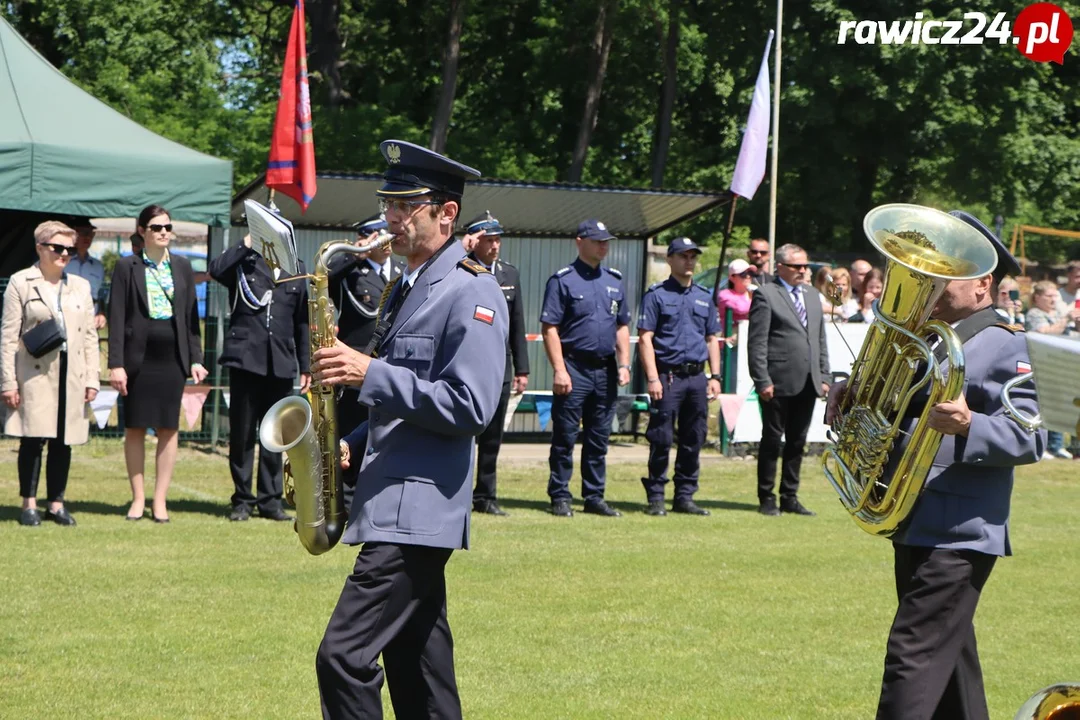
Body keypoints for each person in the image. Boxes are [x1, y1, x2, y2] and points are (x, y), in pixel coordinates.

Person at [309, 139, 507, 720]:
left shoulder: (473, 288)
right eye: (388, 203)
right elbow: (406, 401)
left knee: (342, 658)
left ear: (446, 214)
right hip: (393, 498)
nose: (391, 218)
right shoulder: (408, 283)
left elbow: (471, 406)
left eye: (405, 207)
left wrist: (369, 372)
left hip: (417, 511)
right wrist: (352, 442)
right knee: (419, 670)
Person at [826, 210, 1046, 720]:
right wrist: (853, 396)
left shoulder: (1008, 344)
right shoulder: (923, 341)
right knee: (950, 664)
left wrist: (972, 424)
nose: (930, 284)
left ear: (982, 284)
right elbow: (893, 414)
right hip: (915, 518)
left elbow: (1029, 437)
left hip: (961, 530)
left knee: (913, 656)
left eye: (946, 276)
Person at [108, 206, 207, 522]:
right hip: (137, 358)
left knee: (168, 427)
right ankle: (138, 498)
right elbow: (116, 317)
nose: (164, 231)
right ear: (142, 231)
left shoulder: (182, 266)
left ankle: (160, 500)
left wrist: (196, 359)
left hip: (172, 359)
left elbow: (192, 319)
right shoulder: (127, 266)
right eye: (156, 227)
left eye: (167, 226)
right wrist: (116, 364)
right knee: (135, 427)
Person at [208, 224, 311, 523]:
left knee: (275, 436)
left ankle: (270, 500)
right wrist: (246, 243)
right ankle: (242, 500)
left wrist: (305, 365)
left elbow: (302, 322)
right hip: (246, 359)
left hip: (279, 361)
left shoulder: (297, 269)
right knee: (242, 434)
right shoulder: (245, 262)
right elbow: (216, 269)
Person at [1, 222, 100, 527]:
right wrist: (8, 382)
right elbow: (7, 337)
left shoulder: (81, 286)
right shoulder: (21, 282)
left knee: (63, 440)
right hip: (34, 373)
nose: (65, 254)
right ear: (40, 248)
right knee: (33, 438)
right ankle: (29, 503)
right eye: (58, 248)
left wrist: (92, 378)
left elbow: (88, 338)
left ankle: (56, 502)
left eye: (69, 249)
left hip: (71, 373)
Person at [540, 218, 631, 517]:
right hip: (574, 367)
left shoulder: (615, 280)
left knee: (599, 438)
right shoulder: (563, 280)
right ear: (580, 242)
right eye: (597, 240)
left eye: (606, 241)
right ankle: (560, 496)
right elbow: (550, 327)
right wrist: (559, 369)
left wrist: (625, 363)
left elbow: (621, 326)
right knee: (565, 436)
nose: (603, 246)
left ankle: (594, 497)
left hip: (604, 369)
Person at [637, 237, 722, 516]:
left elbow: (712, 338)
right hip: (668, 378)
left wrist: (715, 376)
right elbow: (645, 338)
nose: (689, 261)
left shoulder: (703, 295)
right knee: (661, 437)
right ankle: (657, 496)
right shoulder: (657, 295)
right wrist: (652, 378)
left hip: (697, 377)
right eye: (683, 256)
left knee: (693, 438)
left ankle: (685, 496)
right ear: (670, 260)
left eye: (692, 256)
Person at [747, 242, 830, 517]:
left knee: (798, 441)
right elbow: (757, 342)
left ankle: (790, 496)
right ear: (780, 266)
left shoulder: (812, 295)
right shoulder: (766, 294)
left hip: (808, 380)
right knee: (772, 439)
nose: (803, 271)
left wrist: (824, 375)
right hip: (778, 380)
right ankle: (766, 496)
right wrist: (762, 379)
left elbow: (819, 340)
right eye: (797, 266)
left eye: (805, 266)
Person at [462, 211, 529, 516]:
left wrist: (522, 370)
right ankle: (458, 496)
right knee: (463, 435)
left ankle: (486, 496)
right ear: (475, 241)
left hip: (500, 369)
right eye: (489, 240)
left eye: (498, 239)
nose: (495, 245)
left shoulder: (509, 274)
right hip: (467, 366)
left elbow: (517, 323)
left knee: (492, 439)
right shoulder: (461, 269)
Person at [327, 214, 403, 435]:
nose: (387, 242)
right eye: (380, 237)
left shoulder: (401, 271)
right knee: (351, 434)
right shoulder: (350, 271)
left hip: (390, 365)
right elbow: (321, 278)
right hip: (355, 363)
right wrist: (356, 256)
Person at [1025, 280, 1075, 460]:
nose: (1054, 299)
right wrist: (1067, 319)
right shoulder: (1034, 314)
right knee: (1045, 405)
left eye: (1056, 295)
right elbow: (1045, 333)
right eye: (1049, 296)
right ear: (1037, 297)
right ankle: (1045, 445)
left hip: (1062, 364)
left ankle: (1059, 445)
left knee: (1062, 405)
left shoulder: (1059, 313)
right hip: (1042, 366)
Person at [66, 219, 108, 329]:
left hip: (90, 320)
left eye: (91, 234)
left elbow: (101, 294)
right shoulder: (62, 261)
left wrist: (101, 313)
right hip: (66, 318)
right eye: (84, 233)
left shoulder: (98, 266)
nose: (88, 238)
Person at [715, 258, 754, 344]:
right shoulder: (724, 295)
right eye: (743, 274)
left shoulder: (754, 293)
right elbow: (741, 308)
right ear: (732, 278)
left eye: (750, 273)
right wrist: (754, 299)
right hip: (730, 344)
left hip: (748, 341)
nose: (748, 276)